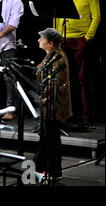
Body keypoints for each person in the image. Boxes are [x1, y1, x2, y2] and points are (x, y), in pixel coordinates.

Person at [55, 0, 101, 125]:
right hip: (63, 39)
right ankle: (66, 114)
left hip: (80, 40)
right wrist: (56, 35)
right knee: (63, 78)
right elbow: (57, 13)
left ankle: (85, 116)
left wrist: (87, 38)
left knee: (81, 79)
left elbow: (96, 15)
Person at [34, 28, 72, 181]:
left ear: (50, 43)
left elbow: (48, 83)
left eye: (41, 39)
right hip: (49, 105)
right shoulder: (52, 55)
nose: (38, 41)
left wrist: (39, 98)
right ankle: (40, 168)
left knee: (51, 139)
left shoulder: (57, 57)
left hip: (53, 106)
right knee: (45, 138)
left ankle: (53, 172)